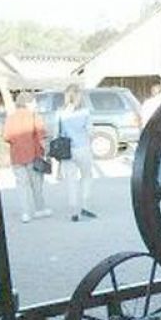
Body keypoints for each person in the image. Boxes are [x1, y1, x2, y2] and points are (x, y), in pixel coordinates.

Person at [2, 92, 52, 223]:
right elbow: (41, 136)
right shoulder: (34, 116)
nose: (35, 104)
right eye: (34, 102)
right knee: (36, 183)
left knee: (22, 185)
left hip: (16, 156)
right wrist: (46, 152)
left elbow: (6, 136)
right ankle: (40, 209)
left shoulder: (11, 117)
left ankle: (25, 213)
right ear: (28, 103)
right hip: (33, 155)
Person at [59, 84, 96, 222]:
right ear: (79, 96)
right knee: (87, 176)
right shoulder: (85, 112)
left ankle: (73, 211)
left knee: (71, 180)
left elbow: (58, 133)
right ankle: (85, 205)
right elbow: (90, 132)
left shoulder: (60, 113)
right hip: (83, 148)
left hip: (67, 149)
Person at [141, 83, 161, 183]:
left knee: (150, 156)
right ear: (160, 93)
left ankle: (151, 178)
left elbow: (143, 118)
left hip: (149, 132)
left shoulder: (146, 103)